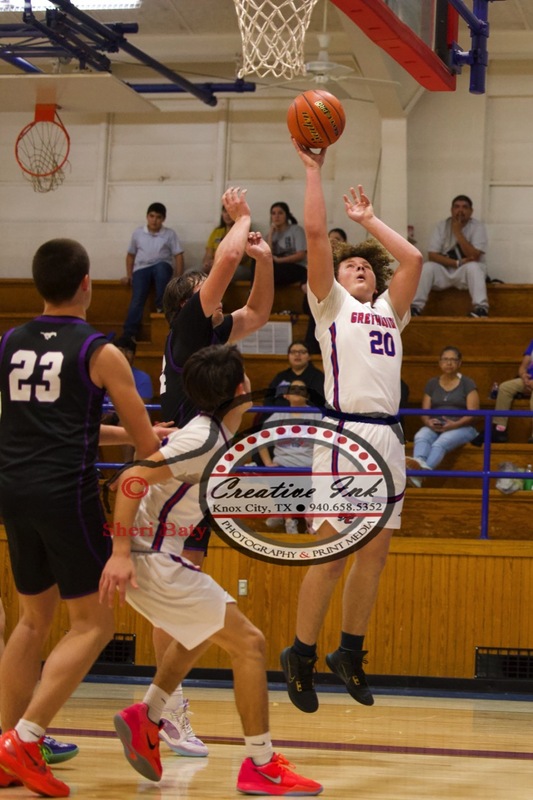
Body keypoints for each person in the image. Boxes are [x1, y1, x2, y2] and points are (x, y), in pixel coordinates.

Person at [98, 344, 323, 797]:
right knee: (250, 645)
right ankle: (261, 764)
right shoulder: (202, 441)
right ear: (241, 389)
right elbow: (129, 481)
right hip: (151, 557)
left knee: (197, 634)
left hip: (158, 554)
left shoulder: (211, 435)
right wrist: (120, 552)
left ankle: (148, 716)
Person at [0, 238, 161, 797]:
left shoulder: (8, 343)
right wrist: (162, 444)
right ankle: (26, 738)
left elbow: (52, 422)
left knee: (31, 621)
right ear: (87, 283)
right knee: (94, 624)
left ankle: (5, 747)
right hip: (64, 494)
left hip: (13, 488)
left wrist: (124, 434)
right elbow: (146, 447)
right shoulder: (101, 351)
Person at [279, 139, 422, 714]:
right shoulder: (331, 306)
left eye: (365, 265)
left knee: (376, 553)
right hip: (344, 437)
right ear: (334, 281)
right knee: (332, 553)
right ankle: (300, 653)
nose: (359, 268)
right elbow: (317, 235)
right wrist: (313, 171)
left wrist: (369, 221)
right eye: (349, 265)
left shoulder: (390, 311)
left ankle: (350, 652)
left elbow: (413, 261)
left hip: (388, 437)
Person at [156, 186, 274, 758]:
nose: (219, 295)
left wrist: (265, 262)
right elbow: (225, 260)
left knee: (182, 589)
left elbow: (260, 313)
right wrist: (241, 219)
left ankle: (160, 706)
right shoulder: (189, 326)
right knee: (174, 593)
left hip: (198, 475)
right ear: (193, 301)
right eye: (209, 290)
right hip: (180, 475)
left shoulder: (208, 334)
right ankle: (166, 709)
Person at [406, 346, 479, 487]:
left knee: (441, 443)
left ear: (459, 363)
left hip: (462, 426)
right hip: (436, 425)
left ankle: (420, 474)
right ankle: (418, 465)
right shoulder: (432, 383)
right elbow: (425, 411)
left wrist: (454, 424)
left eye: (453, 360)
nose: (449, 363)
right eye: (445, 359)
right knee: (421, 435)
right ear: (440, 363)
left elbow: (473, 413)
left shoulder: (467, 383)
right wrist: (428, 422)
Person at [116, 202, 184, 350]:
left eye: (158, 217)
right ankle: (129, 333)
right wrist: (129, 275)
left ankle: (161, 306)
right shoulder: (138, 233)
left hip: (162, 267)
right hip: (142, 268)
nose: (154, 220)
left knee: (161, 269)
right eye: (151, 216)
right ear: (147, 217)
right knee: (138, 297)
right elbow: (130, 255)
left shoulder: (169, 234)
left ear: (163, 219)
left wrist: (178, 277)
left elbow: (178, 255)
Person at [411, 195, 489, 318]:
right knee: (427, 267)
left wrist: (458, 232)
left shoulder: (477, 227)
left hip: (466, 273)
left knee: (474, 267)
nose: (460, 210)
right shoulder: (441, 226)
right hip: (445, 270)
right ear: (451, 210)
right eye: (457, 207)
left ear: (471, 211)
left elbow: (474, 256)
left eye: (465, 207)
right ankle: (415, 308)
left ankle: (481, 309)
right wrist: (457, 263)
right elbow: (432, 255)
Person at [259, 379, 321, 534]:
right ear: (286, 395)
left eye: (302, 388)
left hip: (308, 465)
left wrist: (319, 464)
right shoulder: (278, 415)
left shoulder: (316, 415)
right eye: (293, 389)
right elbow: (260, 439)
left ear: (307, 395)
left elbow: (328, 442)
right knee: (280, 478)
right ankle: (288, 520)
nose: (298, 391)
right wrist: (267, 463)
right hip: (283, 464)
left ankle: (308, 522)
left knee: (318, 480)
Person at [491, 339, 533, 443]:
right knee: (505, 387)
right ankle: (500, 429)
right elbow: (523, 367)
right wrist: (524, 376)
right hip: (529, 380)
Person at [264, 341, 324, 409]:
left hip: (309, 413)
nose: (297, 355)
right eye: (293, 352)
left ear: (309, 357)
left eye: (302, 352)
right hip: (280, 413)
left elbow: (319, 402)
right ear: (288, 356)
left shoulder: (318, 377)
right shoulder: (281, 377)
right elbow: (269, 399)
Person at [203, 205, 254, 281]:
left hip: (239, 267)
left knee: (224, 272)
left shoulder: (245, 232)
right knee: (193, 272)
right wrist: (207, 263)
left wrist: (219, 263)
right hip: (216, 266)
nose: (227, 215)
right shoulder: (216, 232)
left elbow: (243, 257)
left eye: (231, 212)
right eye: (225, 212)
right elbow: (208, 254)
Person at [267, 201, 307, 286]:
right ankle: (253, 290)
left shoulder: (296, 230)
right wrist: (270, 235)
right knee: (257, 264)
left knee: (269, 273)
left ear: (287, 215)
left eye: (280, 213)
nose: (276, 216)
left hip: (296, 267)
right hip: (277, 268)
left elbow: (301, 255)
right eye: (273, 213)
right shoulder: (270, 234)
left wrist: (279, 260)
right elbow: (267, 256)